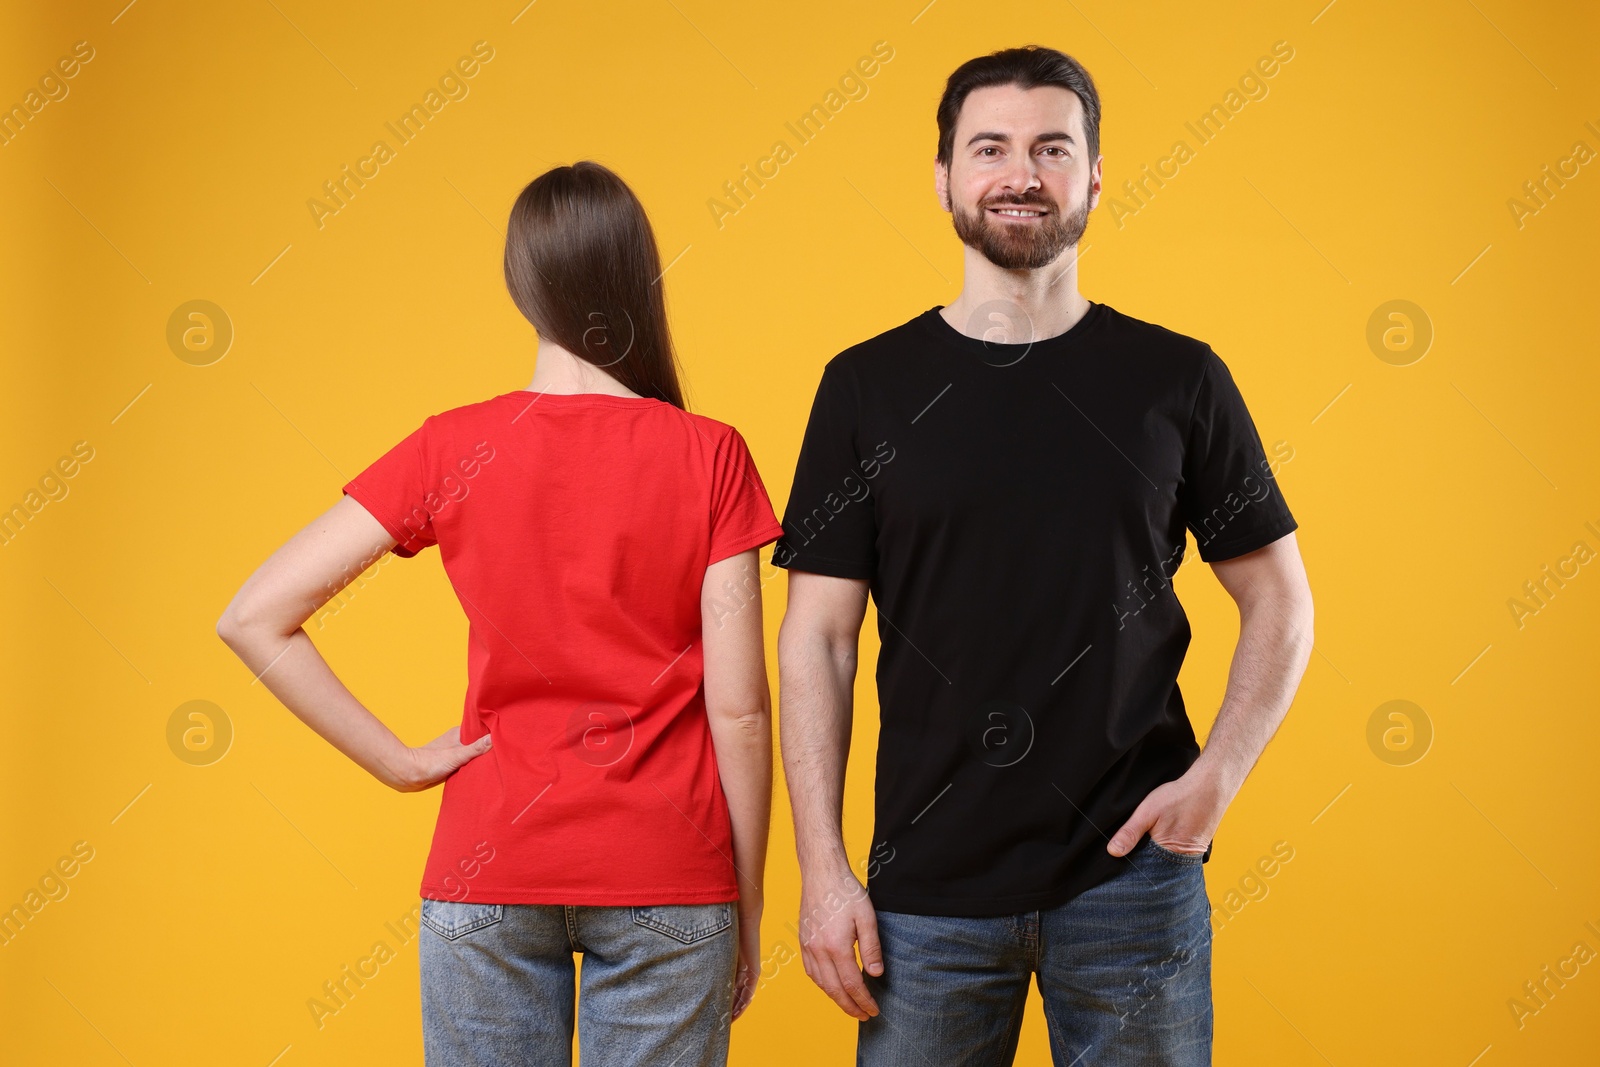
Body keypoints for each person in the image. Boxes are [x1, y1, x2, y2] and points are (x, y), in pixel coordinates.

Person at [771, 45, 1315, 1066]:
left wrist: (1216, 779)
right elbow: (819, 641)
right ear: (943, 178)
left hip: (1130, 881)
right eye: (990, 148)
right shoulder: (864, 388)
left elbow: (1281, 599)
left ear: (1095, 175)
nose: (1020, 173)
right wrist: (824, 869)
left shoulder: (1177, 378)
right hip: (922, 894)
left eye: (1050, 148)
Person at [217, 161, 784, 1067]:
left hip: (489, 861)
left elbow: (254, 615)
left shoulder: (454, 444)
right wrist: (746, 897)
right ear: (639, 277)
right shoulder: (708, 453)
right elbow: (742, 709)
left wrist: (401, 765)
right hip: (668, 872)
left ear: (523, 287)